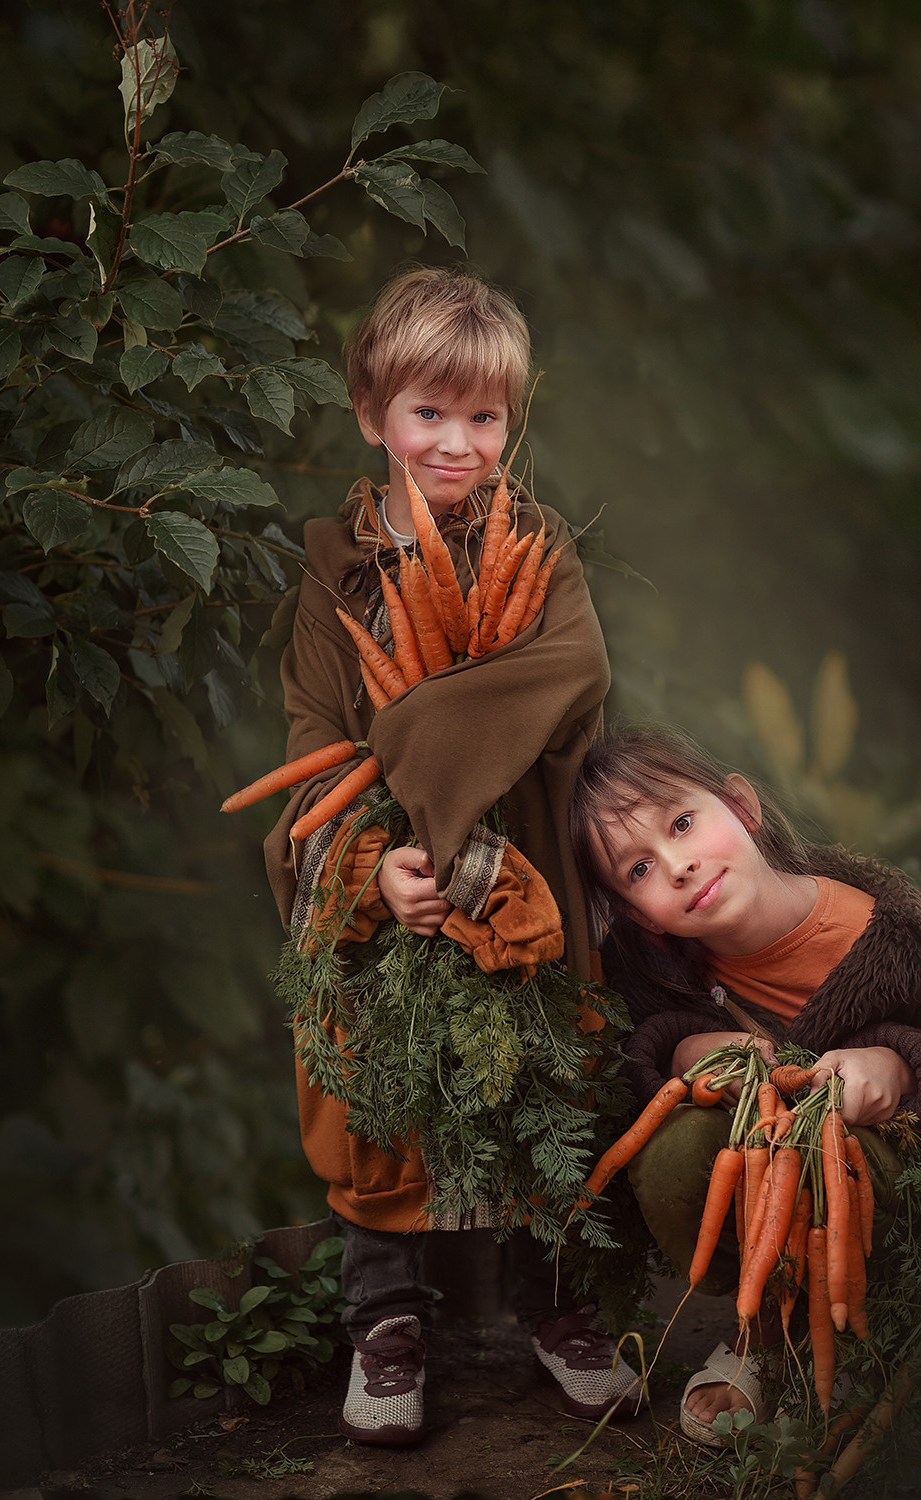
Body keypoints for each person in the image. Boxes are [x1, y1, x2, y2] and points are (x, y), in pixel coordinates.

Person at [263, 267, 640, 1445]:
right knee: (376, 1085)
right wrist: (375, 861)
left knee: (540, 1077)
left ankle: (558, 1309)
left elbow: (569, 678)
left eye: (486, 418)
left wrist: (413, 738)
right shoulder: (336, 571)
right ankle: (385, 1324)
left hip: (518, 850)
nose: (460, 443)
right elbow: (318, 742)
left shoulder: (539, 552)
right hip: (392, 884)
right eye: (430, 413)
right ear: (374, 414)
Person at [568, 722, 921, 1446]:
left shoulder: (898, 945)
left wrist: (902, 1067)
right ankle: (766, 1327)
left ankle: (851, 1333)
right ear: (636, 914)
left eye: (682, 824)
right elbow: (629, 1052)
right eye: (638, 870)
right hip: (764, 1193)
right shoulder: (661, 971)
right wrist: (685, 1045)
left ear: (743, 809)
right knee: (683, 1142)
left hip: (894, 1194)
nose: (678, 866)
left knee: (826, 1155)